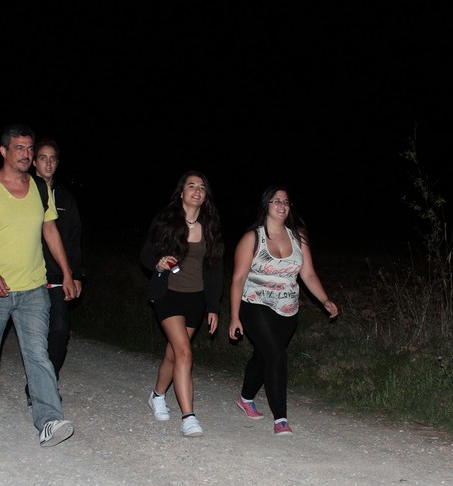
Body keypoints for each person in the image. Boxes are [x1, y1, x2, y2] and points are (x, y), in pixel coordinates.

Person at [0, 124, 75, 447]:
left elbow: (50, 231)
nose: (26, 154)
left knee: (39, 354)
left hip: (34, 287)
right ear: (4, 151)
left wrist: (67, 272)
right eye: (19, 148)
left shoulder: (40, 188)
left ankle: (49, 420)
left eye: (29, 149)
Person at [228, 186, 339, 436]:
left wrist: (325, 300)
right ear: (266, 205)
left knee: (265, 355)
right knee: (277, 356)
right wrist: (234, 316)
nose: (282, 205)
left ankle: (245, 398)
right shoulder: (252, 238)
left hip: (287, 309)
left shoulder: (298, 237)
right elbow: (238, 279)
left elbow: (308, 274)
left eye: (286, 202)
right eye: (276, 201)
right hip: (255, 304)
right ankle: (281, 419)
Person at [140, 170, 224, 437]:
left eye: (202, 187)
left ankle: (157, 395)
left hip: (195, 298)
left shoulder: (210, 227)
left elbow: (215, 270)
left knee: (173, 354)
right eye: (192, 186)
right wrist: (159, 263)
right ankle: (188, 417)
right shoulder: (165, 221)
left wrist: (213, 306)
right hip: (168, 294)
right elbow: (145, 256)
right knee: (185, 352)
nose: (197, 191)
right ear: (181, 192)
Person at [22, 138, 85, 406]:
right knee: (35, 334)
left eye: (53, 158)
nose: (48, 163)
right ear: (33, 162)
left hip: (58, 276)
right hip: (27, 276)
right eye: (43, 158)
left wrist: (76, 274)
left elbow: (74, 239)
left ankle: (45, 382)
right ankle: (41, 387)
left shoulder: (66, 199)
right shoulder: (22, 193)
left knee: (59, 331)